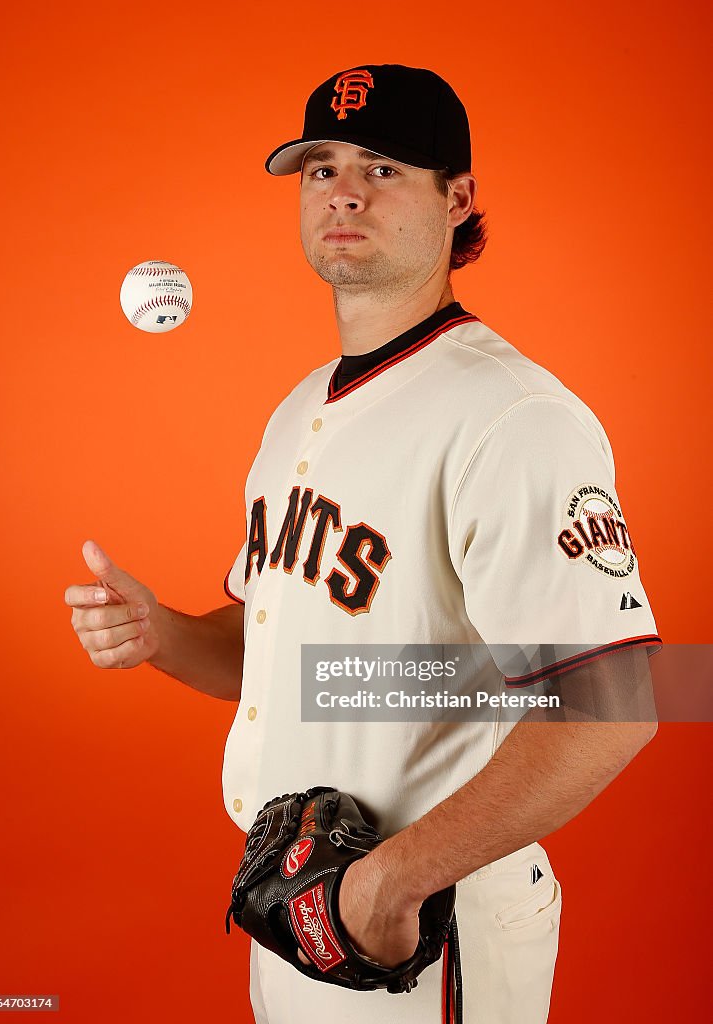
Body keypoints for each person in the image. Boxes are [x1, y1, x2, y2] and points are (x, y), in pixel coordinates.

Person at [65, 64, 661, 1024]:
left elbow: (615, 704)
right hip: (293, 906)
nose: (342, 189)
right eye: (319, 168)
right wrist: (160, 633)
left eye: (382, 167)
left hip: (426, 924)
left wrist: (388, 886)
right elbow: (279, 655)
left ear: (456, 198)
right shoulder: (303, 405)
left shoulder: (514, 415)